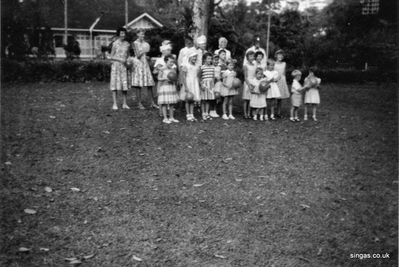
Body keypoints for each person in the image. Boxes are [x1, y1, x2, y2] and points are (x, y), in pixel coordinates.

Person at [131, 29, 157, 110]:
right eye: (141, 34)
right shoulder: (135, 43)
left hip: (145, 64)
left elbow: (144, 55)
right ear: (137, 34)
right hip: (138, 64)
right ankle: (139, 103)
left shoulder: (146, 43)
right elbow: (138, 55)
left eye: (143, 34)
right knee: (138, 85)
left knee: (149, 84)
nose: (142, 36)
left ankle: (152, 103)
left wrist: (147, 56)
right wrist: (143, 51)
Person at [109, 27, 130, 110]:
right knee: (115, 85)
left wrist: (128, 61)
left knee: (124, 85)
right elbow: (111, 56)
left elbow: (128, 55)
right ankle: (115, 104)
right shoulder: (115, 43)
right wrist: (119, 59)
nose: (123, 35)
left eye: (124, 33)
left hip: (124, 67)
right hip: (116, 66)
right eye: (121, 33)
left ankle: (124, 103)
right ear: (118, 34)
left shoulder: (127, 44)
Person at [154, 41, 176, 116]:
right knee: (162, 97)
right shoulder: (159, 60)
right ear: (163, 51)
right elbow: (155, 72)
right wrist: (158, 68)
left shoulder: (171, 59)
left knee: (169, 96)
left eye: (170, 50)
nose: (170, 51)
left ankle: (169, 111)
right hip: (162, 82)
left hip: (170, 81)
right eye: (168, 50)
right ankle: (161, 112)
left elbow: (174, 70)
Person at [157, 55, 180, 124]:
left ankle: (171, 117)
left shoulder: (172, 69)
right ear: (166, 61)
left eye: (173, 62)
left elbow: (175, 78)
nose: (172, 63)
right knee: (164, 103)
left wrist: (174, 80)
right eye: (170, 62)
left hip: (171, 87)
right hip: (165, 87)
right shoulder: (162, 69)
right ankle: (165, 118)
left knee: (171, 103)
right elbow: (158, 78)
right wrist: (165, 79)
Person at [181, 51, 201, 121]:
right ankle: (188, 114)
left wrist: (199, 84)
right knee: (187, 99)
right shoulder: (186, 65)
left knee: (192, 99)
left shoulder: (196, 66)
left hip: (194, 83)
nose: (195, 58)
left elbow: (197, 76)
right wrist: (186, 86)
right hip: (188, 82)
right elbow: (183, 76)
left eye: (196, 57)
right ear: (189, 57)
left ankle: (192, 114)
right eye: (193, 57)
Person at [274, 50, 290, 118]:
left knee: (280, 98)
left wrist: (284, 82)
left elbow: (284, 73)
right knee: (274, 97)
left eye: (281, 55)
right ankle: (272, 112)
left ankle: (278, 112)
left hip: (282, 81)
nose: (280, 56)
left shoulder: (284, 63)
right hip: (276, 80)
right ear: (276, 56)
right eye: (278, 55)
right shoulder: (274, 63)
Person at [200, 52, 216, 120]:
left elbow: (213, 77)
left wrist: (213, 85)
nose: (210, 60)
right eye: (208, 58)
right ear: (204, 60)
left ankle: (207, 113)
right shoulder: (202, 67)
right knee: (204, 100)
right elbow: (200, 77)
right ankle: (203, 113)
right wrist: (201, 85)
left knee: (208, 100)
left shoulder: (213, 67)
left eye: (211, 59)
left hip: (210, 85)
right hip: (204, 84)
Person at [243, 51, 257, 119]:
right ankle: (245, 113)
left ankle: (249, 113)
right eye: (250, 56)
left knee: (251, 99)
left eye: (253, 56)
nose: (252, 57)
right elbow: (245, 77)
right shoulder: (246, 65)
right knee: (246, 99)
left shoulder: (254, 65)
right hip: (247, 82)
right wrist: (249, 85)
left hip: (253, 82)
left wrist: (254, 83)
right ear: (247, 57)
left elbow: (254, 75)